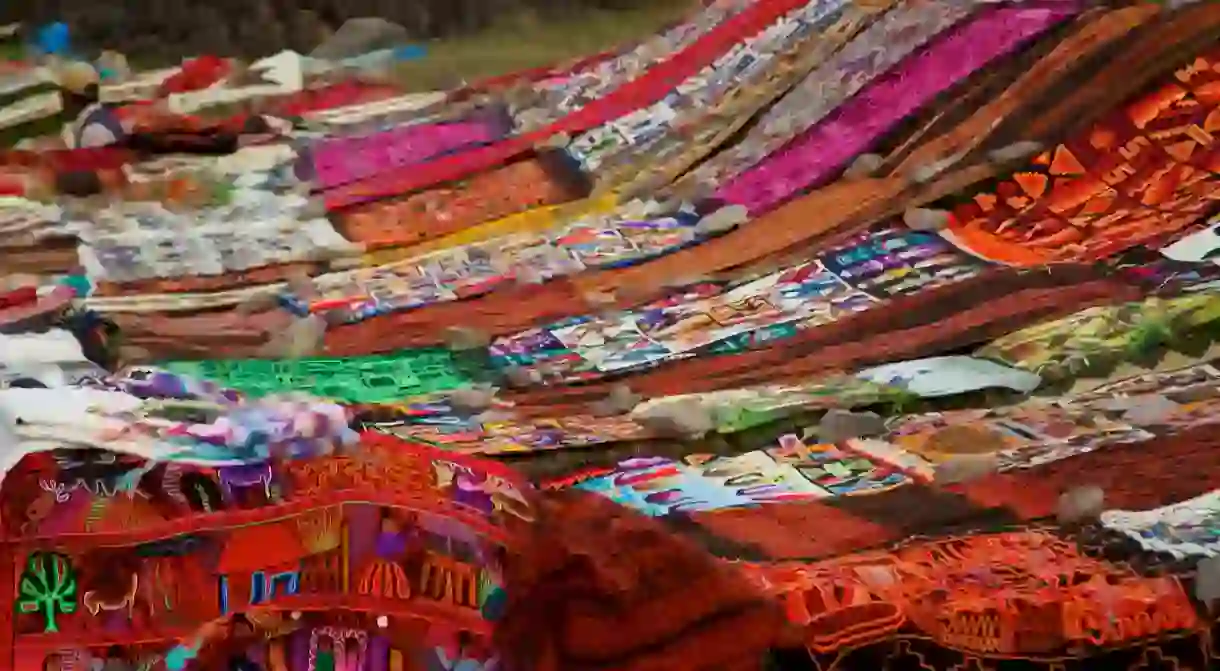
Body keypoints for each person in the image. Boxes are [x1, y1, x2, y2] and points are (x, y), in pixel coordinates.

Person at [54, 61, 127, 149]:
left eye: (63, 95)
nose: (62, 101)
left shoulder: (93, 131)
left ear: (71, 96)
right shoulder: (101, 117)